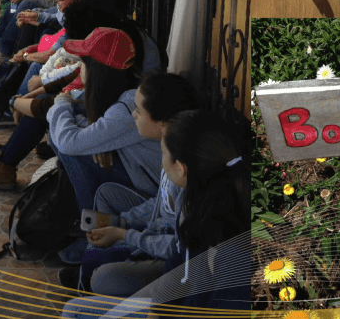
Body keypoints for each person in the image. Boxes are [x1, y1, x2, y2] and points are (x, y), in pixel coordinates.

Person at [60, 109, 251, 318]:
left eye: (163, 154)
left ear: (180, 168)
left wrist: (126, 234)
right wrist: (158, 304)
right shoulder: (200, 203)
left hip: (179, 305)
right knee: (76, 307)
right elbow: (180, 268)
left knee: (81, 304)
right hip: (173, 300)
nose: (161, 162)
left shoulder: (230, 249)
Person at [59, 73, 201, 293]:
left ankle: (96, 278)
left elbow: (174, 246)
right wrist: (122, 222)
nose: (133, 115)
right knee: (106, 196)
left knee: (102, 279)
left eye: (138, 110)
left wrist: (125, 235)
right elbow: (160, 204)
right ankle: (97, 262)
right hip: (156, 234)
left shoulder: (182, 169)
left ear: (161, 122)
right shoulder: (169, 146)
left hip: (173, 262)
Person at [46, 26, 163, 265]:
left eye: (84, 64)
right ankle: (85, 222)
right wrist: (96, 140)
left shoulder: (127, 108)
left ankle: (92, 232)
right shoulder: (126, 93)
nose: (80, 69)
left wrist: (60, 103)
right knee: (66, 137)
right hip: (138, 176)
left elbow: (68, 142)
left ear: (98, 72)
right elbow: (82, 129)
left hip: (152, 195)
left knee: (72, 152)